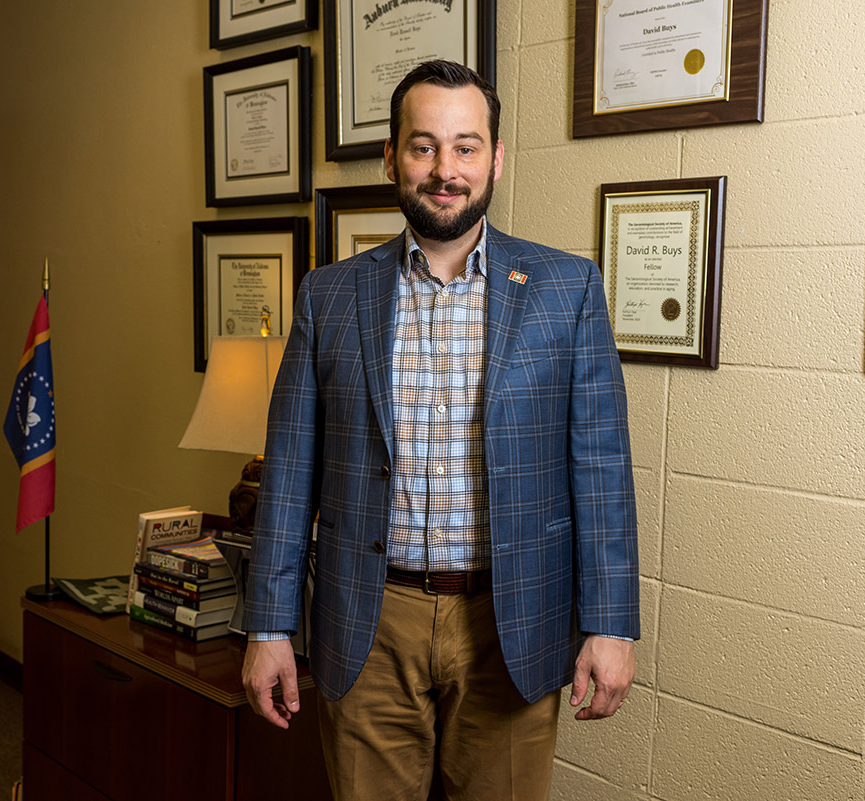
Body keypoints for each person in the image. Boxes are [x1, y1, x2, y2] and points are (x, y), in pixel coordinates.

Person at [241, 59, 639, 801]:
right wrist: (268, 628)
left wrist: (611, 625)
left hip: (511, 618)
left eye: (465, 146)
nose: (444, 169)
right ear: (392, 157)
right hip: (369, 617)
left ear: (494, 159)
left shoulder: (567, 288)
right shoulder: (329, 296)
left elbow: (603, 470)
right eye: (423, 146)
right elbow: (290, 473)